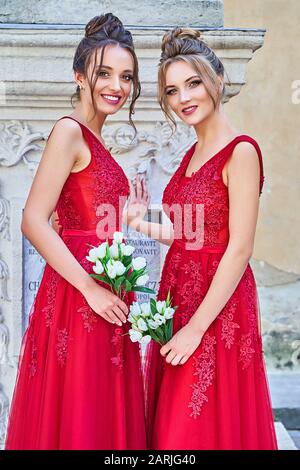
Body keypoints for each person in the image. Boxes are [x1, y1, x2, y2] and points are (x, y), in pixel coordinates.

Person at [123, 28, 278, 450]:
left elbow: (239, 247)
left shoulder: (241, 151)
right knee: (174, 426)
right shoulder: (190, 156)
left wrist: (195, 329)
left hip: (216, 309)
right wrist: (141, 222)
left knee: (197, 428)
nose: (183, 98)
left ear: (218, 81)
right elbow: (190, 234)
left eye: (193, 83)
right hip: (179, 300)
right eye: (172, 90)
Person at [5, 13, 146, 450]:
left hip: (109, 291)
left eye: (126, 76)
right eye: (104, 73)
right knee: (82, 413)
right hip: (80, 295)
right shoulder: (69, 131)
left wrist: (128, 219)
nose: (116, 86)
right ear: (80, 76)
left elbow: (84, 219)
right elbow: (33, 219)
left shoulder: (96, 139)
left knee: (103, 414)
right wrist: (90, 288)